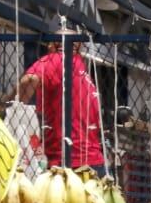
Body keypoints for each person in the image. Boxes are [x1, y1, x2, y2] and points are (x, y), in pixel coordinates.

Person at [18, 41, 103, 169]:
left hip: (66, 161)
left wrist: (12, 108)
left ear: (51, 45)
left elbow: (29, 79)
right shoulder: (79, 66)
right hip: (92, 159)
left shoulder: (55, 59)